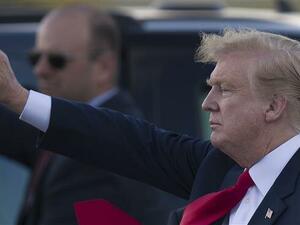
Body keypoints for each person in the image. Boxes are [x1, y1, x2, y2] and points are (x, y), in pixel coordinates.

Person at [0, 28, 299, 225]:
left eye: (225, 89)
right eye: (210, 87)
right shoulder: (220, 167)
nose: (207, 102)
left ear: (273, 106)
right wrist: (19, 98)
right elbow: (124, 140)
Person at [0, 4, 185, 225]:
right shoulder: (69, 126)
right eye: (35, 58)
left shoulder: (99, 152)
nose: (40, 69)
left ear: (104, 67)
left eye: (56, 60)